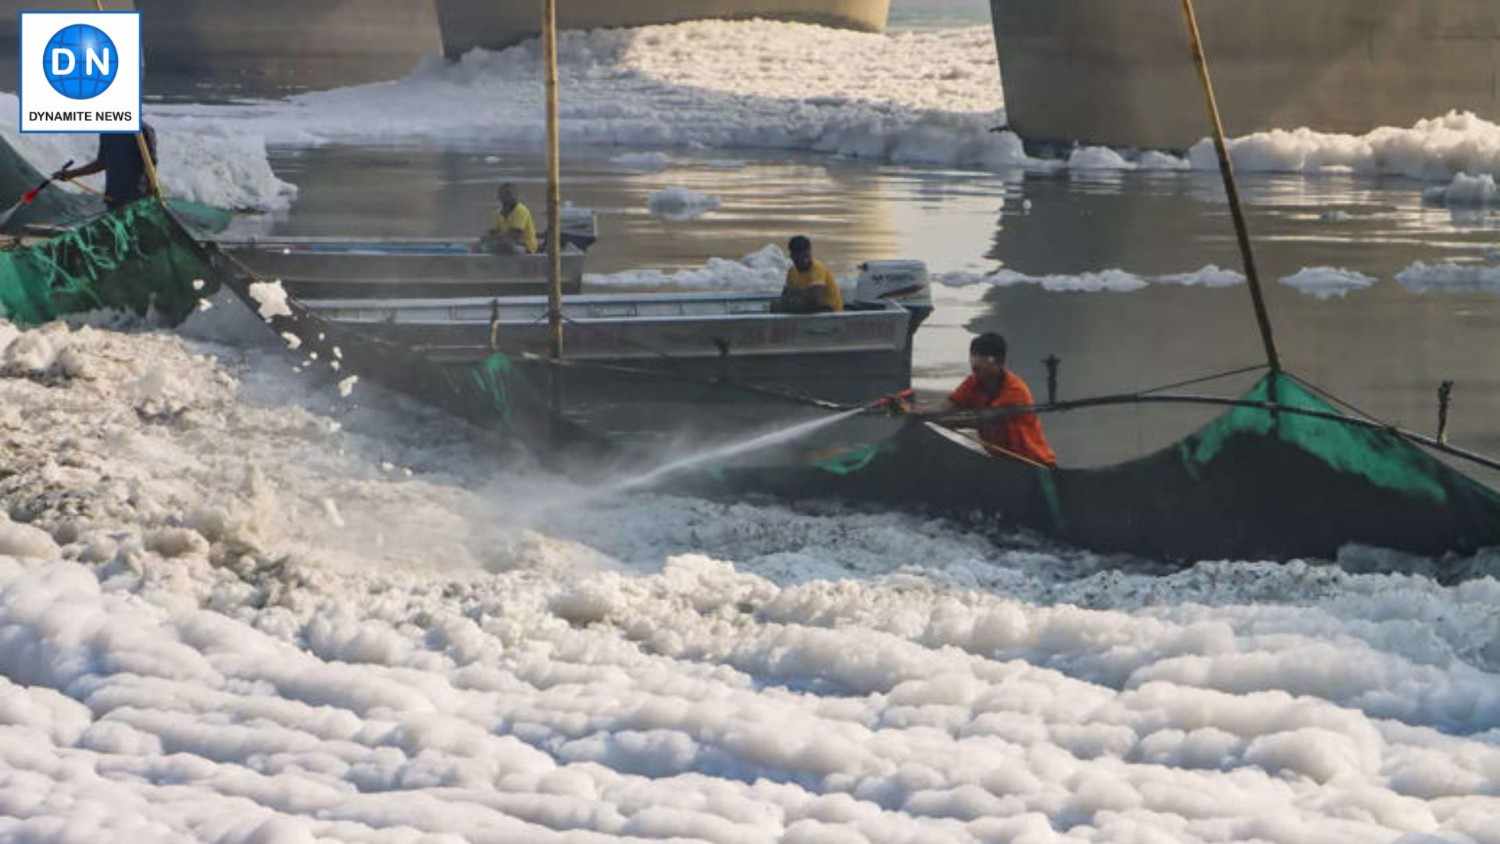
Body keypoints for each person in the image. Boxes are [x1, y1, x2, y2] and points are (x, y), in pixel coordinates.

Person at [924, 332, 1057, 467]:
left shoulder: (1015, 391)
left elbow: (979, 420)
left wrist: (935, 419)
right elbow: (945, 408)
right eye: (973, 354)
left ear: (998, 362)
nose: (974, 361)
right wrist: (917, 412)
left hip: (1034, 465)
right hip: (1002, 464)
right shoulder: (973, 382)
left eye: (980, 355)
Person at [54, 124, 158, 212]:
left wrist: (150, 193)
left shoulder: (143, 130)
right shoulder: (107, 132)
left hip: (137, 199)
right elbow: (101, 163)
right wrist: (70, 174)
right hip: (113, 197)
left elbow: (151, 164)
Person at [777, 235, 843, 313]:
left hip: (829, 310)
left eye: (806, 256)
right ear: (792, 256)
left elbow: (816, 299)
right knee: (776, 306)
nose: (803, 260)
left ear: (809, 253)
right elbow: (785, 296)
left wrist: (796, 292)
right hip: (810, 308)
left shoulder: (817, 268)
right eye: (798, 256)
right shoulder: (792, 271)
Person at [479, 182, 538, 254]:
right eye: (505, 193)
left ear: (516, 196)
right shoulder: (498, 212)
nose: (508, 196)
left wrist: (493, 238)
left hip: (525, 247)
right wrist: (486, 236)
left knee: (505, 245)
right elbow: (493, 231)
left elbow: (514, 235)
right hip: (507, 243)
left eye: (509, 193)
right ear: (499, 197)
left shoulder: (520, 210)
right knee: (479, 245)